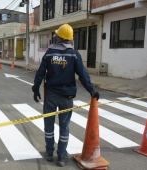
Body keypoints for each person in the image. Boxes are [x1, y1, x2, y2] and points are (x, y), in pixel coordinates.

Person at [32, 24, 99, 167]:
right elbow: (83, 75)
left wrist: (35, 88)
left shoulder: (49, 54)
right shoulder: (74, 54)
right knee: (64, 126)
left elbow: (40, 73)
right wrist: (92, 91)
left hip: (50, 95)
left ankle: (49, 153)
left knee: (48, 124)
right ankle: (61, 156)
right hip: (67, 97)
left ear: (59, 37)